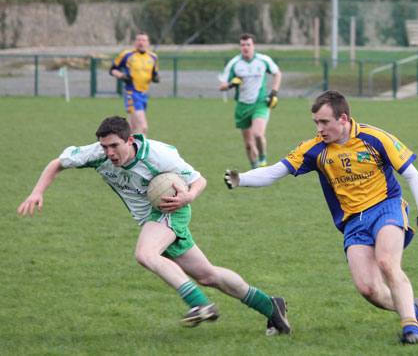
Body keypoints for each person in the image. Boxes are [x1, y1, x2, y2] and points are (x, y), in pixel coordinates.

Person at [17, 116, 291, 336]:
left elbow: (199, 180)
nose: (110, 153)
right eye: (104, 147)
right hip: (152, 218)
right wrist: (37, 192)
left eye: (115, 146)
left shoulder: (158, 155)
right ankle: (271, 307)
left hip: (171, 209)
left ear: (130, 140)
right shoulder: (95, 154)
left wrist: (188, 196)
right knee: (207, 275)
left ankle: (199, 304)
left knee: (145, 254)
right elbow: (58, 163)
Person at [224, 90, 418, 344]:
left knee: (387, 263)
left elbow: (413, 175)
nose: (319, 128)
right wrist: (242, 180)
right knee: (368, 289)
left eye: (324, 122)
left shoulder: (375, 137)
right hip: (353, 222)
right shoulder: (315, 149)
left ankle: (410, 332)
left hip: (386, 207)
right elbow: (275, 171)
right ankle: (413, 311)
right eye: (316, 122)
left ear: (343, 119)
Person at [218, 33, 281, 169]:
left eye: (248, 45)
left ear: (254, 46)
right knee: (248, 144)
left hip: (260, 103)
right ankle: (255, 169)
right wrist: (231, 84)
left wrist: (274, 93)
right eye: (242, 45)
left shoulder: (263, 60)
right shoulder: (234, 63)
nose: (245, 47)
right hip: (242, 106)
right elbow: (221, 86)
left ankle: (263, 159)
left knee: (258, 134)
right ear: (239, 47)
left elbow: (277, 73)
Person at [110, 33, 160, 136]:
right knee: (143, 127)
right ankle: (139, 150)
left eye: (144, 40)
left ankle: (119, 144)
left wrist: (155, 77)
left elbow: (154, 74)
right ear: (135, 42)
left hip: (144, 94)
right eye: (139, 40)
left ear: (148, 43)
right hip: (131, 93)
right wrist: (122, 76)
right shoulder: (127, 55)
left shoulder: (153, 57)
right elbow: (112, 69)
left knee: (131, 128)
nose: (141, 42)